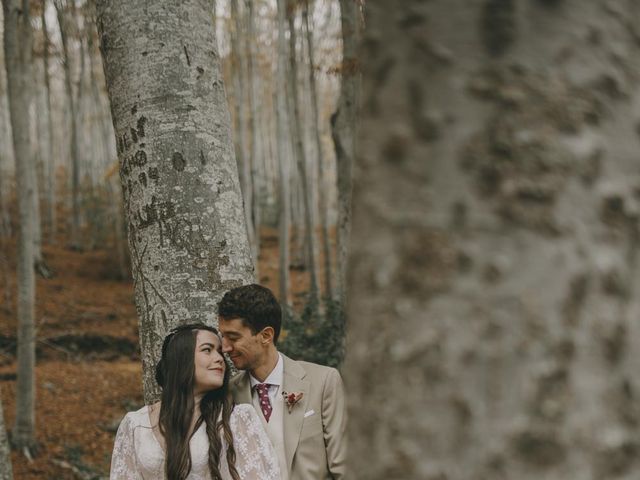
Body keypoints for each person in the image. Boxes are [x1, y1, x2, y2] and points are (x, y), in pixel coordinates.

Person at [109, 323, 281, 480]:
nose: (220, 358)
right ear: (181, 359)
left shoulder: (237, 419)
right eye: (208, 350)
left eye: (220, 352)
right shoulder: (135, 424)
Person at [218, 284, 346, 480]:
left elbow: (343, 466)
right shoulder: (227, 394)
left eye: (233, 337)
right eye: (223, 337)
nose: (225, 347)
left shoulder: (324, 381)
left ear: (266, 336)